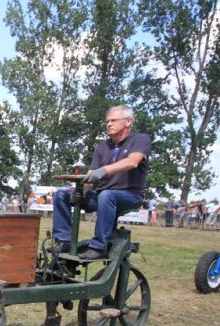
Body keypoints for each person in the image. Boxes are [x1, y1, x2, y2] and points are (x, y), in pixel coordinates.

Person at [51, 104, 150, 260]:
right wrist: (80, 192)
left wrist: (104, 170)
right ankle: (64, 240)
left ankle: (99, 246)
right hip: (102, 195)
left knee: (106, 195)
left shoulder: (140, 139)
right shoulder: (102, 146)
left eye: (113, 120)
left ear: (128, 122)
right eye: (107, 121)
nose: (109, 124)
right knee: (61, 194)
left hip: (130, 195)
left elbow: (132, 162)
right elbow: (90, 178)